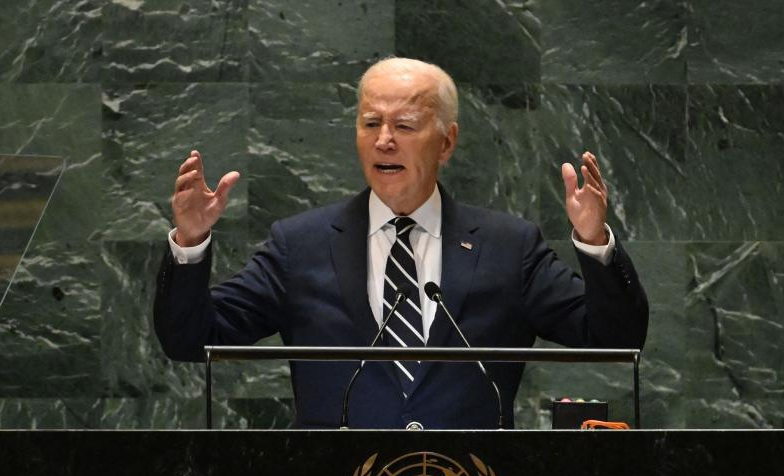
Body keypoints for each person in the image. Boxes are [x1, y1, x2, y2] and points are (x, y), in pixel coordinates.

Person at [154, 57, 648, 429]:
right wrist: (191, 241)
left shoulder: (508, 247)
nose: (384, 140)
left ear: (447, 142)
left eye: (405, 126)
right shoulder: (299, 245)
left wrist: (593, 242)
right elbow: (190, 340)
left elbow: (613, 339)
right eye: (371, 124)